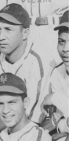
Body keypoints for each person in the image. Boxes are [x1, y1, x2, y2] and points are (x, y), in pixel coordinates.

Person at [0, 3, 49, 140]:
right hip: (2, 125)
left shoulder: (38, 61)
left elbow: (32, 114)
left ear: (25, 33)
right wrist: (4, 119)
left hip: (33, 128)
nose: (0, 37)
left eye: (8, 29)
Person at [0, 73, 52, 141]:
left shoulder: (38, 137)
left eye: (12, 102)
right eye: (0, 104)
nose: (5, 110)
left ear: (25, 103)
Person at [40, 10, 69, 140]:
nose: (65, 49)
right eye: (61, 41)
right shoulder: (57, 72)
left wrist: (55, 97)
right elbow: (61, 122)